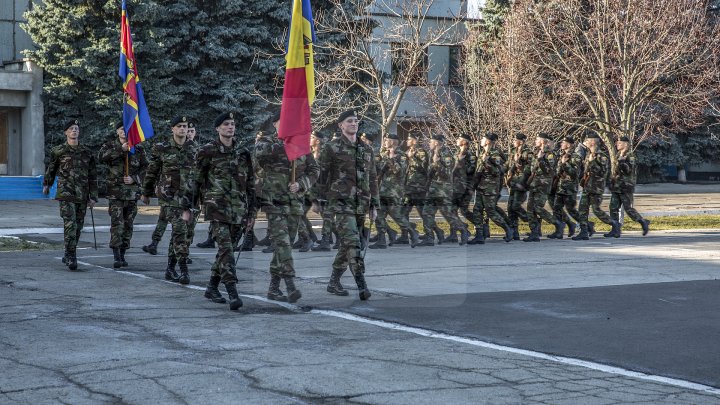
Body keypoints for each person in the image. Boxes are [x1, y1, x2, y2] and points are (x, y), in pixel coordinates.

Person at [254, 111, 319, 302]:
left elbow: (314, 170)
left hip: (294, 203)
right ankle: (290, 285)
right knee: (282, 244)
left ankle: (273, 288)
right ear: (275, 124)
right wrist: (287, 145)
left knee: (285, 246)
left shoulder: (301, 146)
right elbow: (258, 155)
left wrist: (301, 184)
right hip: (274, 202)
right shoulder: (266, 142)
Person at [318, 110, 379, 300]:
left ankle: (333, 282)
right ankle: (362, 285)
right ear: (341, 125)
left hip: (361, 203)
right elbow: (322, 176)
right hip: (341, 204)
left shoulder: (366, 149)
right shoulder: (332, 147)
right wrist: (318, 200)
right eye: (349, 121)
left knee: (347, 245)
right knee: (353, 243)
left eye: (356, 121)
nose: (354, 124)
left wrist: (374, 205)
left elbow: (372, 178)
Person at [141, 115, 195, 284]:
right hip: (169, 197)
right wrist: (146, 192)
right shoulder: (162, 148)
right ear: (172, 129)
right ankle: (184, 271)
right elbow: (152, 171)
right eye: (179, 126)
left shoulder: (194, 148)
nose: (182, 129)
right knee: (179, 231)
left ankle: (170, 269)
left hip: (189, 198)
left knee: (184, 235)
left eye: (185, 126)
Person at [43, 119, 98, 271]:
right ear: (66, 132)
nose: (74, 131)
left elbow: (92, 175)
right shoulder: (58, 150)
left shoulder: (86, 151)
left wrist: (93, 196)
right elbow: (52, 168)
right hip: (66, 193)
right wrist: (47, 184)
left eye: (76, 128)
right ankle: (71, 255)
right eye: (71, 128)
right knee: (70, 224)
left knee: (78, 226)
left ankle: (68, 252)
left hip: (82, 194)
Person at [98, 121, 148, 268]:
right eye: (121, 129)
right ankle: (116, 255)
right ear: (117, 132)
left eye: (126, 129)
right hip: (115, 194)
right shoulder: (110, 146)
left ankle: (124, 253)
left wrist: (135, 178)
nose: (124, 131)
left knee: (128, 225)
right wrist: (121, 149)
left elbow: (147, 168)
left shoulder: (138, 149)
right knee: (117, 224)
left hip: (132, 194)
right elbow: (102, 157)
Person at [369, 133, 420, 249]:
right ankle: (381, 240)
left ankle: (412, 232)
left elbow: (399, 171)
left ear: (393, 142)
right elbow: (377, 168)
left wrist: (390, 159)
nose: (385, 142)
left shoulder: (402, 156)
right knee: (378, 215)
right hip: (382, 191)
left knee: (397, 215)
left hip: (395, 192)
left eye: (387, 140)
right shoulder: (383, 155)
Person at [418, 134, 470, 246]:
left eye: (431, 142)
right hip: (433, 189)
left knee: (448, 214)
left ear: (437, 143)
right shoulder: (433, 153)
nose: (429, 144)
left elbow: (447, 174)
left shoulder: (446, 155)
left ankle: (463, 230)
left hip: (443, 190)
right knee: (427, 213)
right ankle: (429, 238)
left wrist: (436, 163)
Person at [572, 133, 621, 240]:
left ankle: (614, 224)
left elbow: (601, 171)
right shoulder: (589, 154)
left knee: (596, 210)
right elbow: (586, 171)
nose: (587, 143)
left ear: (593, 142)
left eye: (588, 140)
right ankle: (584, 232)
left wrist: (591, 162)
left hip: (596, 188)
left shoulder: (602, 156)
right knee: (582, 209)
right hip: (587, 187)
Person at [473, 132, 513, 244]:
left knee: (490, 211)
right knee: (477, 210)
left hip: (490, 188)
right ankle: (479, 235)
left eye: (483, 138)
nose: (481, 140)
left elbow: (498, 171)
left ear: (488, 141)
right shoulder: (482, 152)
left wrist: (486, 163)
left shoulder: (494, 154)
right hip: (481, 186)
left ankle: (507, 229)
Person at [607, 136, 650, 237]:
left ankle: (643, 222)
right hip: (617, 186)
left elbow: (628, 171)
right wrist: (611, 181)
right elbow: (615, 171)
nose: (617, 144)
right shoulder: (618, 155)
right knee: (613, 208)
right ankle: (615, 229)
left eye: (620, 143)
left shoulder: (631, 156)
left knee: (628, 209)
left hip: (626, 186)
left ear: (626, 144)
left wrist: (622, 162)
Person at [524, 133, 564, 242]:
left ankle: (557, 223)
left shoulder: (550, 154)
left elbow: (549, 171)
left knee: (537, 208)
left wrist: (541, 160)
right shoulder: (536, 152)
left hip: (543, 184)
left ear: (542, 141)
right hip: (535, 183)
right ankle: (534, 233)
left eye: (537, 139)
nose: (535, 140)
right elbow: (533, 169)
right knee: (530, 209)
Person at [395, 133, 428, 245]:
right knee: (403, 212)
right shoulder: (407, 152)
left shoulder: (421, 152)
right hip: (408, 188)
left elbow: (424, 168)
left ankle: (430, 235)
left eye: (409, 139)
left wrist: (412, 158)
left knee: (423, 212)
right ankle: (405, 235)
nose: (407, 140)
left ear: (415, 140)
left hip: (418, 188)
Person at [548, 136, 582, 239]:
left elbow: (575, 174)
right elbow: (558, 171)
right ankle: (559, 231)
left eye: (564, 142)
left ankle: (586, 225)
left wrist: (565, 163)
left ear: (569, 144)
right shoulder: (561, 155)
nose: (561, 144)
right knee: (556, 209)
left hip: (570, 188)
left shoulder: (575, 156)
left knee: (571, 210)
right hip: (560, 187)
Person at [450, 133, 479, 243]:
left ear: (465, 142)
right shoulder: (456, 153)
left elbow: (470, 171)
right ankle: (456, 232)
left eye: (459, 139)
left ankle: (479, 227)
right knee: (452, 210)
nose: (457, 140)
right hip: (455, 187)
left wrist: (460, 162)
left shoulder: (471, 156)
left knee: (463, 211)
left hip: (465, 188)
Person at [505, 133, 532, 240]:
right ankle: (514, 232)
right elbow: (508, 164)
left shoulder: (528, 152)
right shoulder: (513, 151)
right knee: (510, 208)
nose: (513, 141)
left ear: (521, 141)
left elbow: (530, 169)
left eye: (515, 140)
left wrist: (523, 183)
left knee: (516, 206)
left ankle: (533, 222)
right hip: (513, 182)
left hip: (521, 183)